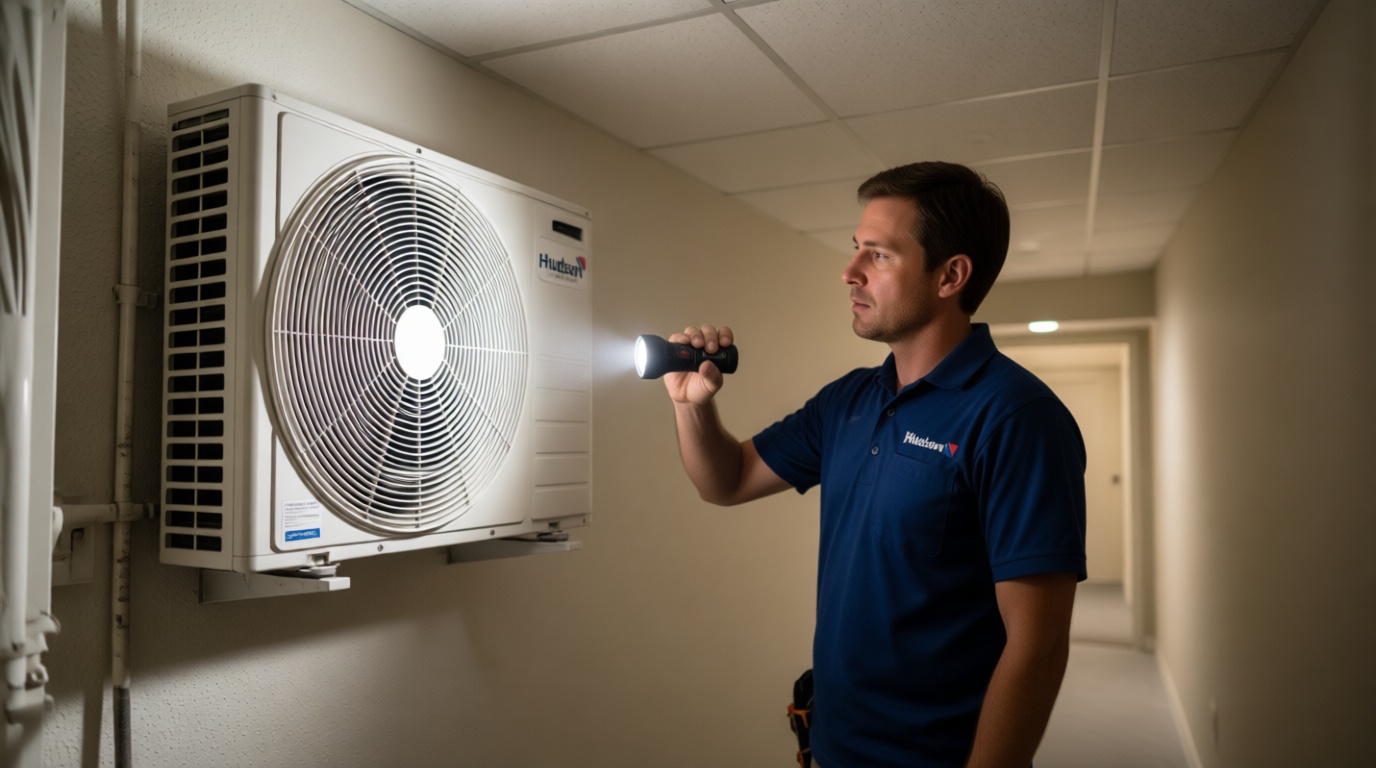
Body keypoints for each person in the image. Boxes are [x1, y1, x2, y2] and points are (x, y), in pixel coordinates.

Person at [659, 162, 1087, 767]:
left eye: (878, 255)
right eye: (856, 249)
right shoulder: (849, 401)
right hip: (833, 747)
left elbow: (1037, 647)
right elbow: (725, 481)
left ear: (951, 275)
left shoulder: (1017, 417)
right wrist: (690, 407)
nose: (849, 272)